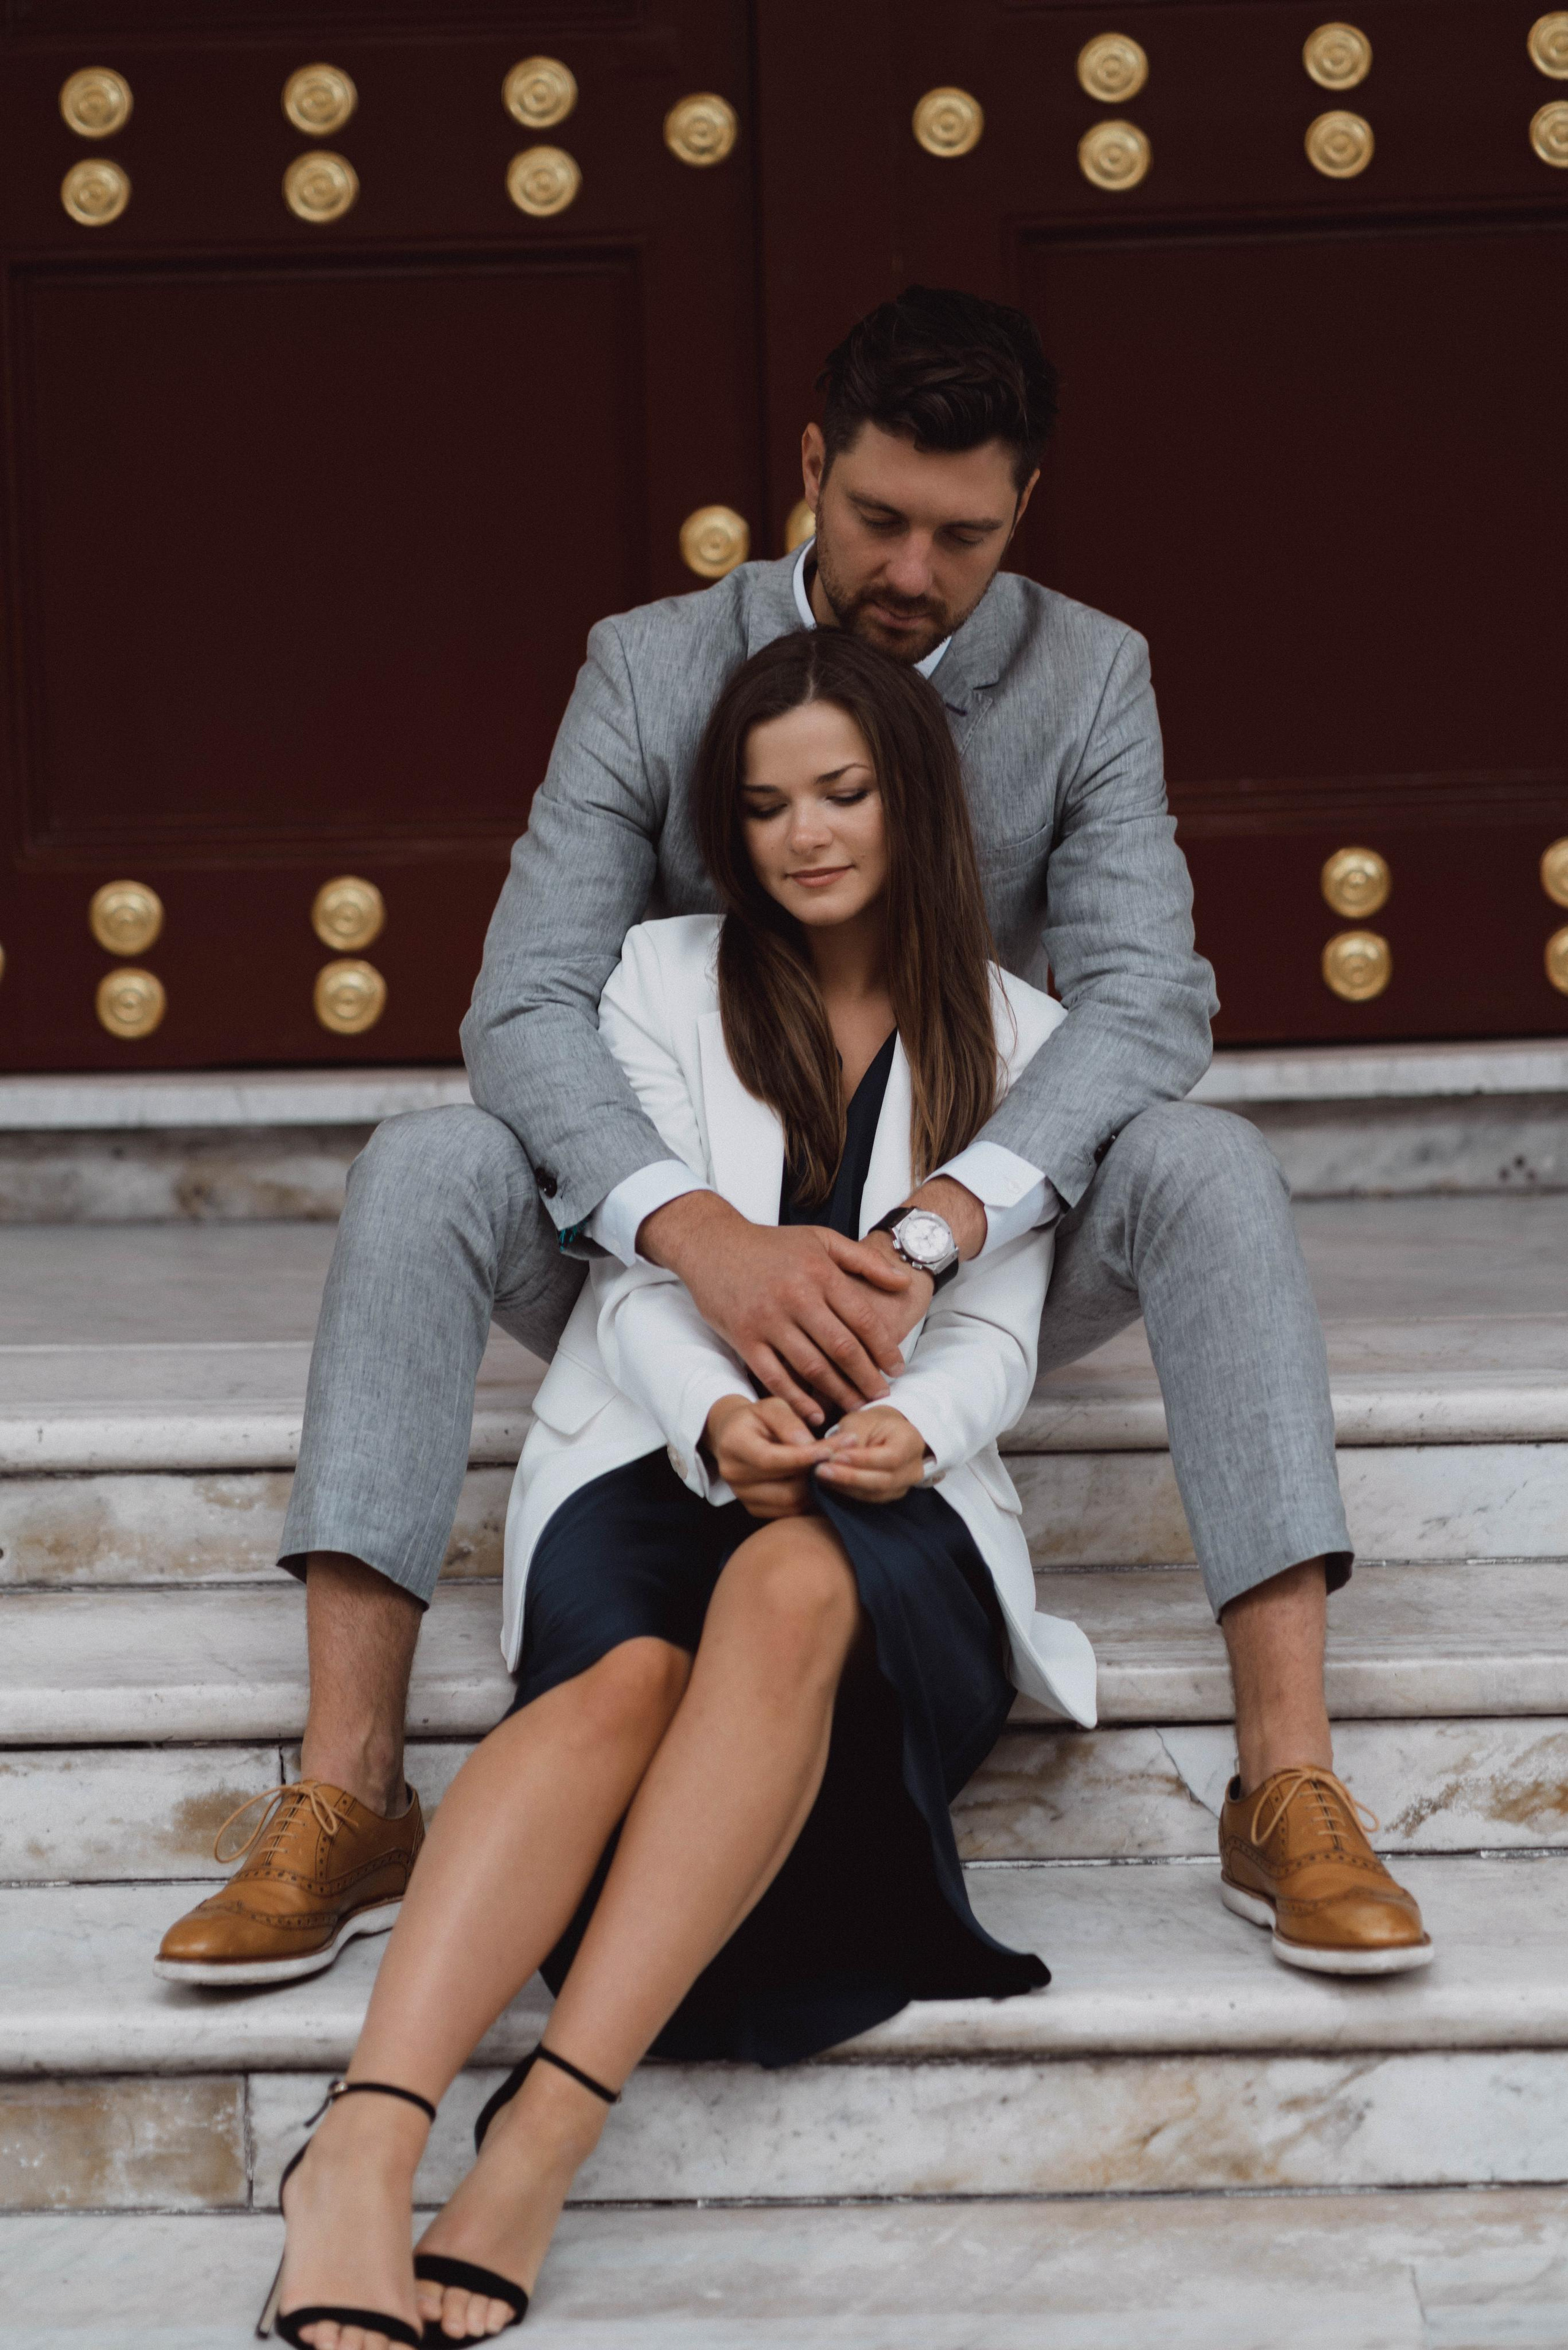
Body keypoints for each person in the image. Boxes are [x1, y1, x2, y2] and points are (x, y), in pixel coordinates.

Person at [158, 284, 1431, 1996]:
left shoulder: (1095, 674)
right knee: (422, 1160)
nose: (913, 572)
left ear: (1026, 507)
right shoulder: (649, 663)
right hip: (662, 1257)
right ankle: (348, 1790)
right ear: (812, 467)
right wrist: (696, 1235)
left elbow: (1146, 1004)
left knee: (1210, 1161)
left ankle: (1287, 1783)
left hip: (961, 1239)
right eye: (880, 518)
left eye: (964, 537)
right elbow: (522, 1003)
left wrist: (949, 1226)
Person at [258, 629, 1093, 2347]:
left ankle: (547, 2131)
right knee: (630, 1672)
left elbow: (997, 1326)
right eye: (769, 804)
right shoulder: (652, 978)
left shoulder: (1026, 1035)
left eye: (845, 793)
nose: (808, 835)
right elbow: (635, 1274)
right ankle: (362, 2144)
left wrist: (912, 1436)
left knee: (794, 1586)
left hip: (903, 1515)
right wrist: (720, 1420)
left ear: (915, 800)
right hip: (654, 1454)